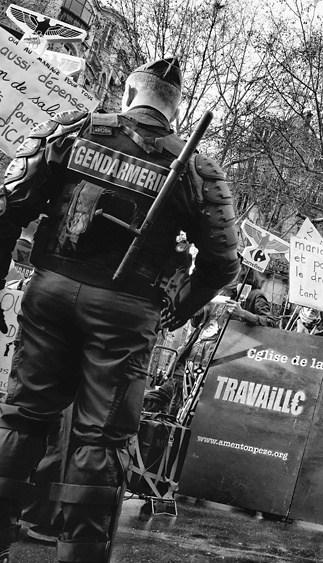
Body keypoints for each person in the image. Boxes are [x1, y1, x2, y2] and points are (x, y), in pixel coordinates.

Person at [0, 56, 240, 563]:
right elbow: (221, 263)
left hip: (50, 290)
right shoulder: (198, 167)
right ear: (175, 109)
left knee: (23, 416)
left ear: (129, 93)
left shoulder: (76, 129)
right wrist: (177, 307)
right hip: (128, 312)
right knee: (101, 436)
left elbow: (9, 205)